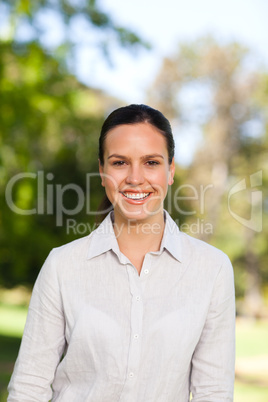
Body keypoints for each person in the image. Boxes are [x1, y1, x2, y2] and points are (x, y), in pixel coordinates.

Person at [8, 104, 236, 401]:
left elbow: (214, 393)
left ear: (171, 171)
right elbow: (28, 387)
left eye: (151, 162)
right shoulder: (63, 266)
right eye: (120, 163)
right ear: (102, 172)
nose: (135, 178)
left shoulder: (213, 269)